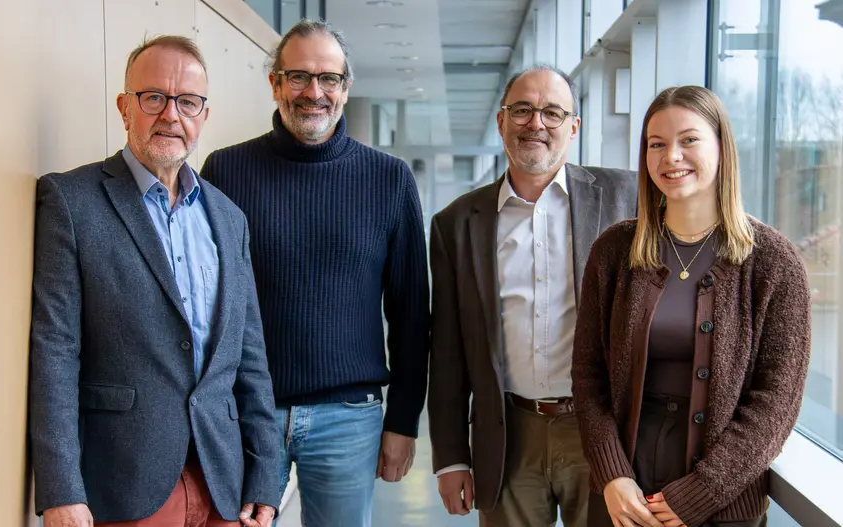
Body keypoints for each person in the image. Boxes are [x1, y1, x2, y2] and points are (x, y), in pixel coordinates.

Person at [29, 35, 279, 527]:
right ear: (125, 108)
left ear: (203, 116)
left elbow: (250, 358)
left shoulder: (229, 218)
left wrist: (266, 473)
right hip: (123, 483)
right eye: (154, 98)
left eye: (187, 102)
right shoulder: (72, 202)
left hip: (223, 483)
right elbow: (55, 351)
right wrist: (60, 488)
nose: (171, 115)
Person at [199, 19, 430, 527]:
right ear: (276, 83)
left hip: (351, 419)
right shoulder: (225, 172)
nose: (314, 93)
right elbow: (205, 301)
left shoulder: (389, 180)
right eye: (299, 77)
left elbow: (413, 315)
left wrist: (404, 422)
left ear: (346, 90)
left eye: (329, 79)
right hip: (246, 414)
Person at [572, 85, 812, 527]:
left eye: (689, 140)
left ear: (722, 147)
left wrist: (704, 492)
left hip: (721, 493)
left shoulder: (775, 262)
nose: (671, 157)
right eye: (656, 144)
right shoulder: (614, 250)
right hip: (625, 490)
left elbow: (777, 401)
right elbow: (589, 375)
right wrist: (612, 476)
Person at [427, 65, 637, 527]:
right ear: (501, 121)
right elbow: (446, 351)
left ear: (574, 127)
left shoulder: (629, 199)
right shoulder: (456, 224)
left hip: (602, 432)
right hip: (507, 435)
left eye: (552, 112)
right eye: (521, 110)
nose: (535, 123)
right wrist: (450, 458)